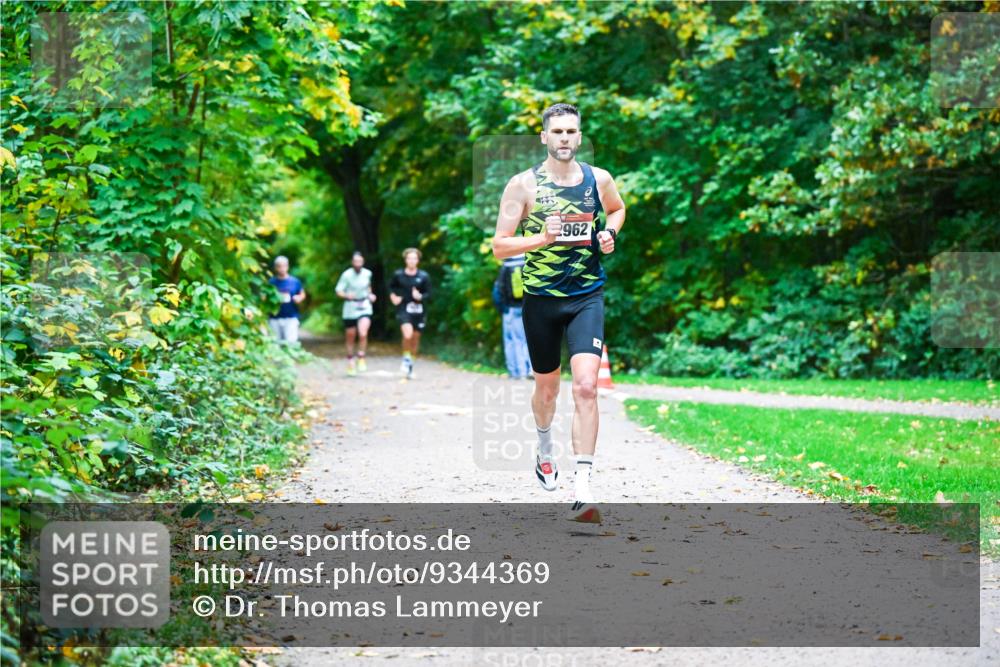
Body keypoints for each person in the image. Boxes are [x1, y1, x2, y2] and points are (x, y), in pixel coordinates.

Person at [491, 103, 625, 523]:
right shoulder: (522, 186)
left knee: (586, 387)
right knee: (547, 390)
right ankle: (544, 448)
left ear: (579, 137)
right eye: (557, 132)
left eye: (572, 131)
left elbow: (618, 210)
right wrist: (540, 239)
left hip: (587, 296)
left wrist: (608, 233)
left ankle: (582, 489)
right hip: (541, 301)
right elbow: (500, 246)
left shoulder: (598, 179)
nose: (565, 138)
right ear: (544, 137)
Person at [389, 248, 432, 379]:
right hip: (403, 308)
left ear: (418, 260)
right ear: (405, 260)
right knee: (407, 335)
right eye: (409, 258)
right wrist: (393, 297)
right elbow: (390, 287)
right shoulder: (398, 275)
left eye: (414, 258)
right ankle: (406, 358)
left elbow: (429, 294)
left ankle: (410, 366)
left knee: (415, 338)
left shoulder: (424, 276)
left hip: (419, 310)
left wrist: (420, 296)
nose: (412, 261)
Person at [492, 254, 533, 380]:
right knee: (529, 340)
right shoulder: (528, 263)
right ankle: (531, 370)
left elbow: (498, 290)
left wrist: (503, 308)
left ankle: (518, 372)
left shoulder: (506, 266)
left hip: (511, 308)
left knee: (514, 340)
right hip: (528, 308)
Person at [335, 251, 376, 376]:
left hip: (364, 305)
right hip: (350, 307)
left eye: (360, 261)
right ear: (352, 262)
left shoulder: (367, 273)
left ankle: (361, 356)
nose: (358, 264)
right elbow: (338, 290)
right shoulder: (346, 275)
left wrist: (370, 295)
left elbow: (368, 287)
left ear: (363, 262)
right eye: (356, 261)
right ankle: (350, 359)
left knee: (363, 332)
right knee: (351, 335)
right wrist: (347, 295)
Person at [268, 255, 306, 344]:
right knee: (276, 344)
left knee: (291, 343)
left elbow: (302, 294)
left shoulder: (295, 281)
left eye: (284, 266)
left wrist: (299, 298)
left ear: (287, 266)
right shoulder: (271, 282)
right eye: (279, 266)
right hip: (274, 317)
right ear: (275, 268)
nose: (282, 268)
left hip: (291, 317)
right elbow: (264, 297)